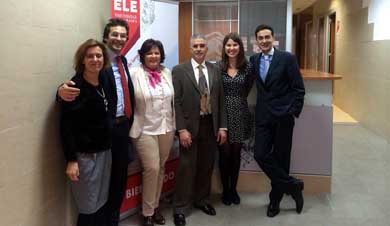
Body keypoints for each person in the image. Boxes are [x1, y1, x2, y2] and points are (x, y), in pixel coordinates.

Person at [57, 18, 135, 226]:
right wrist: (60, 91)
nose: (119, 38)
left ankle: (112, 222)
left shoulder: (123, 61)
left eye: (122, 35)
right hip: (97, 141)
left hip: (119, 130)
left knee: (117, 182)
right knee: (96, 195)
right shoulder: (99, 68)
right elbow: (75, 93)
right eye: (114, 34)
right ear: (106, 37)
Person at [249, 24, 306, 217]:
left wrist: (292, 112)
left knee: (281, 160)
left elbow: (299, 88)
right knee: (260, 153)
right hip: (263, 117)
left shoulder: (287, 58)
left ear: (273, 38)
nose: (264, 41)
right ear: (256, 41)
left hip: (283, 118)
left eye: (267, 37)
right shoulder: (254, 59)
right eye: (260, 38)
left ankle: (275, 201)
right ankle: (293, 186)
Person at [172, 34, 227, 226]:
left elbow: (220, 101)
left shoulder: (215, 70)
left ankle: (202, 200)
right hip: (189, 127)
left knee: (206, 166)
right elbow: (176, 102)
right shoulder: (179, 70)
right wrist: (181, 129)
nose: (198, 49)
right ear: (190, 48)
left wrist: (222, 126)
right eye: (195, 45)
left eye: (202, 45)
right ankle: (180, 207)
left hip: (210, 124)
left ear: (207, 48)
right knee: (186, 167)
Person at [60, 39, 112, 226]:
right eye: (90, 56)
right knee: (88, 208)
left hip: (105, 152)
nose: (95, 59)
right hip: (84, 157)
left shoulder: (104, 79)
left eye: (99, 55)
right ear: (82, 60)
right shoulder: (74, 87)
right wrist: (71, 160)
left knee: (100, 203)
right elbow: (66, 127)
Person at [129, 39, 175, 226]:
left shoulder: (167, 72)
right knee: (152, 168)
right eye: (149, 53)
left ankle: (155, 207)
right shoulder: (134, 74)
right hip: (144, 129)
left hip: (166, 127)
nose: (153, 56)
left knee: (161, 168)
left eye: (156, 53)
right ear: (143, 56)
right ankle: (147, 212)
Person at [217, 32, 254, 206]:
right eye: (228, 45)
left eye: (235, 45)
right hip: (223, 116)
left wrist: (236, 101)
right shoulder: (218, 67)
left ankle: (233, 190)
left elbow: (247, 90)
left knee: (236, 155)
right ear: (224, 48)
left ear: (240, 47)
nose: (232, 48)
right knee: (224, 155)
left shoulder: (247, 67)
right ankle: (225, 190)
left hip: (240, 113)